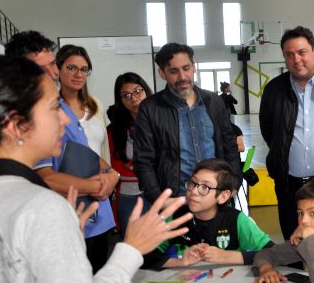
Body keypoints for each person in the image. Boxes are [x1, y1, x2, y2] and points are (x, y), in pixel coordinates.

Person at [0, 55, 191, 283]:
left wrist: (62, 239)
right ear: (15, 124)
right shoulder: (41, 207)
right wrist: (131, 248)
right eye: (52, 107)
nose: (63, 118)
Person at [12, 38, 119, 273]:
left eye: (83, 69)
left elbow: (88, 153)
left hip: (95, 212)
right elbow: (46, 177)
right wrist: (97, 185)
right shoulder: (30, 114)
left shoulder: (91, 107)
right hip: (66, 214)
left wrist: (111, 174)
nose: (52, 73)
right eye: (69, 67)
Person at [259, 26, 314, 241]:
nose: (296, 59)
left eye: (302, 52)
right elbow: (269, 131)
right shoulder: (274, 89)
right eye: (289, 54)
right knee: (293, 245)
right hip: (290, 187)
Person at [134, 42, 241, 209]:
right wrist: (157, 198)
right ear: (162, 73)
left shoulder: (214, 102)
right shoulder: (150, 108)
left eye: (186, 68)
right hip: (176, 201)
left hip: (216, 198)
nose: (182, 76)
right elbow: (143, 160)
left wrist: (233, 184)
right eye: (173, 71)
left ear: (194, 67)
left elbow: (229, 146)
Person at [143, 158, 272, 270]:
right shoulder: (175, 217)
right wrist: (180, 261)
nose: (193, 191)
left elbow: (273, 253)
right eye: (193, 183)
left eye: (205, 187)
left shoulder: (237, 221)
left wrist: (226, 256)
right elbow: (144, 254)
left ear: (223, 196)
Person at [107, 72, 153, 235]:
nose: (133, 98)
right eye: (126, 95)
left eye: (137, 91)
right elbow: (112, 164)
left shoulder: (163, 121)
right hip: (131, 193)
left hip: (161, 191)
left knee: (164, 248)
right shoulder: (115, 131)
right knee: (135, 247)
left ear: (146, 90)